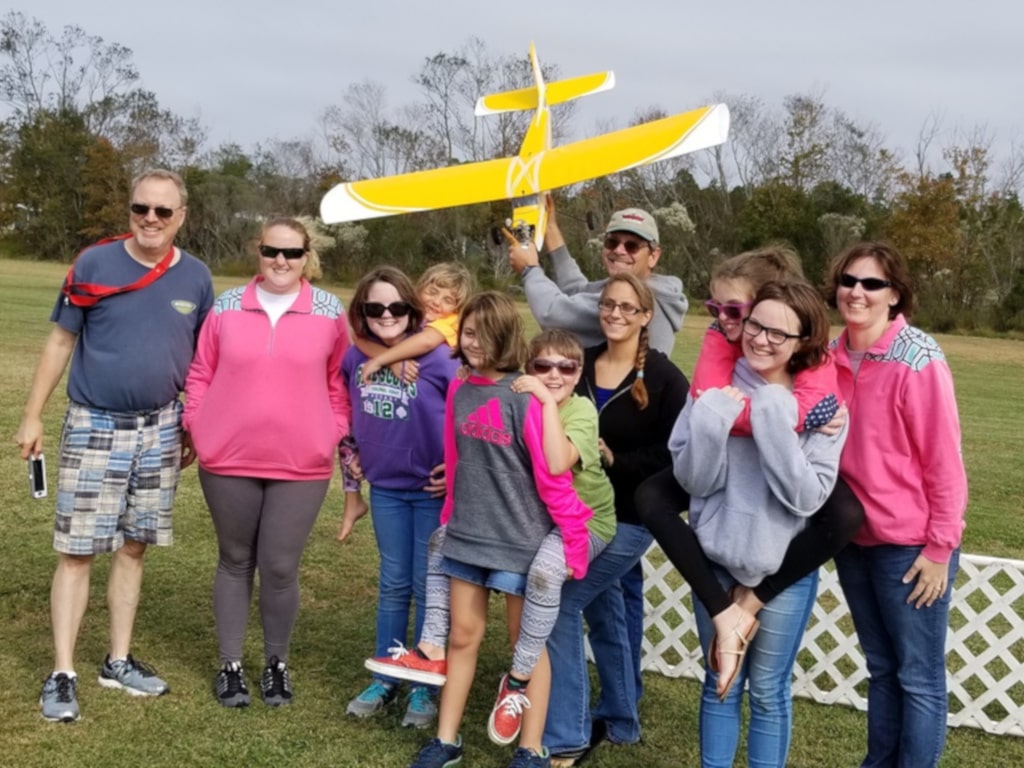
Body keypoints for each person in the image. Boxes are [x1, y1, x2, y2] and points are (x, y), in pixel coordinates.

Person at [14, 169, 214, 722]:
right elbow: (61, 341)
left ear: (181, 217)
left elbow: (203, 361)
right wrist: (32, 415)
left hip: (162, 427)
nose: (150, 219)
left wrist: (193, 423)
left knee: (133, 547)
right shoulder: (94, 264)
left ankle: (117, 661)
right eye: (140, 208)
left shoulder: (197, 276)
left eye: (162, 211)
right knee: (77, 551)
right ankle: (63, 672)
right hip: (94, 423)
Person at [368, 329, 616, 746]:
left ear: (579, 374)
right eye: (543, 366)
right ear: (527, 367)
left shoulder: (580, 410)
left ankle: (517, 683)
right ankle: (431, 648)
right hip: (537, 517)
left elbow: (556, 463)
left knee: (544, 572)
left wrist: (543, 401)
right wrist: (477, 376)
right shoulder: (517, 395)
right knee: (440, 542)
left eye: (566, 367)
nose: (554, 375)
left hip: (582, 521)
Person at [638, 246, 864, 697]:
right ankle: (723, 609)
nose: (722, 319)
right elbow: (698, 443)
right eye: (715, 308)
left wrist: (802, 414)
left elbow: (808, 483)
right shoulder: (722, 346)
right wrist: (713, 414)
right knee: (651, 497)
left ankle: (752, 600)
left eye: (733, 310)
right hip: (725, 493)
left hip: (781, 509)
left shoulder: (811, 372)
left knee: (844, 514)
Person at [408, 292, 593, 768]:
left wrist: (571, 536)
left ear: (508, 337)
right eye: (468, 332)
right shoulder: (460, 387)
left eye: (486, 335)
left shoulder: (523, 395)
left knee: (525, 648)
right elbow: (455, 459)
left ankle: (531, 749)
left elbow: (551, 475)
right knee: (462, 637)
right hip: (469, 535)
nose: (474, 343)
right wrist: (451, 519)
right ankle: (446, 740)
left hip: (519, 541)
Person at [670, 279, 847, 767]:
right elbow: (694, 481)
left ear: (803, 342)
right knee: (718, 684)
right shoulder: (713, 387)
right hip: (716, 561)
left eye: (778, 333)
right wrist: (711, 421)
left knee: (768, 690)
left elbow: (807, 497)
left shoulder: (824, 408)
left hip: (782, 574)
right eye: (755, 325)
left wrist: (772, 416)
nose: (761, 339)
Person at [183, 217, 350, 708]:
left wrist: (332, 430)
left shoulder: (329, 311)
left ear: (306, 257)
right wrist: (199, 425)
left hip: (301, 463)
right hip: (228, 459)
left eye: (292, 253)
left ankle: (277, 663)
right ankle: (230, 665)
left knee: (279, 566)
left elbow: (338, 381)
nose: (281, 261)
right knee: (235, 560)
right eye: (272, 251)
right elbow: (201, 372)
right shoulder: (227, 305)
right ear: (258, 252)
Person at [826, 242, 967, 768]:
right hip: (853, 539)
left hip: (910, 548)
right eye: (848, 280)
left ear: (894, 295)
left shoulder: (918, 357)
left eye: (872, 283)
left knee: (918, 677)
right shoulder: (828, 355)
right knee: (882, 669)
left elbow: (944, 461)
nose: (856, 292)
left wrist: (940, 547)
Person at [544, 273, 689, 766]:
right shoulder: (580, 363)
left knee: (561, 605)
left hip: (630, 518)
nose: (615, 314)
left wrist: (616, 460)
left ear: (646, 316)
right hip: (574, 514)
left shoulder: (666, 379)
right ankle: (622, 719)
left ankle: (566, 732)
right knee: (605, 614)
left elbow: (677, 457)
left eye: (628, 308)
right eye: (609, 304)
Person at [341, 267, 458, 728]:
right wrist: (355, 456)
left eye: (396, 306)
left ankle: (423, 684)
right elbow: (345, 411)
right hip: (386, 489)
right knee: (393, 583)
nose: (386, 315)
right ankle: (387, 674)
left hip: (430, 492)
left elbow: (472, 414)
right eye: (375, 308)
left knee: (429, 587)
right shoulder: (355, 356)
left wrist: (458, 471)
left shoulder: (441, 358)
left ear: (413, 309)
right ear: (362, 312)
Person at [337, 262, 473, 542]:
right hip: (385, 483)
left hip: (430, 484)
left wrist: (458, 466)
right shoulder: (391, 332)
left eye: (448, 299)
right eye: (432, 292)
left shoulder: (444, 337)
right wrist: (390, 361)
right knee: (393, 566)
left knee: (427, 565)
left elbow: (469, 414)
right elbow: (359, 339)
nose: (437, 302)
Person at [508, 199, 688, 354]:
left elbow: (553, 316)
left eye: (632, 246)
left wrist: (529, 269)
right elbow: (577, 290)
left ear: (653, 256)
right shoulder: (632, 287)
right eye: (612, 242)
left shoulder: (636, 299)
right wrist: (549, 226)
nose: (619, 250)